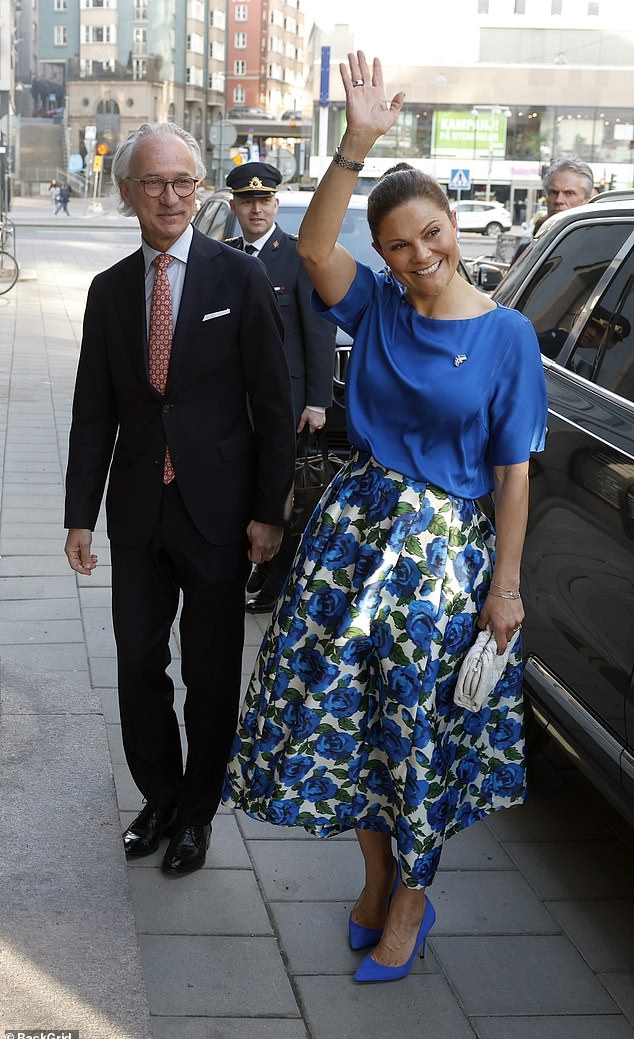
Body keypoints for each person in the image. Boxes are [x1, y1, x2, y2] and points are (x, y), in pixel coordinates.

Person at [223, 52, 548, 982]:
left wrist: (507, 588)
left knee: (420, 739)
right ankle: (375, 882)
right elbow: (313, 249)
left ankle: (410, 905)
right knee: (352, 729)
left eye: (431, 235)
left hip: (443, 561)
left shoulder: (507, 337)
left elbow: (513, 474)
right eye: (398, 244)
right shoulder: (379, 309)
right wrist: (355, 144)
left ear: (454, 225)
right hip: (348, 550)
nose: (419, 256)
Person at [63, 122, 296, 876]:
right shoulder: (107, 292)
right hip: (137, 508)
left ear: (200, 190)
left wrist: (270, 512)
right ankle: (158, 798)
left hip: (220, 509)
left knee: (211, 667)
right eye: (156, 183)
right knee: (136, 662)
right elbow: (92, 412)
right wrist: (78, 514)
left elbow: (272, 398)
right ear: (128, 191)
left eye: (184, 182)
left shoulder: (239, 279)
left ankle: (198, 813)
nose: (171, 197)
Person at [224, 161, 337, 615]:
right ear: (234, 206)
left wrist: (317, 401)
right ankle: (249, 562)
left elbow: (319, 330)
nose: (257, 209)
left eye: (265, 200)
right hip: (232, 402)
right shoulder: (225, 255)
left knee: (281, 492)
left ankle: (274, 584)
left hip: (286, 402)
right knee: (241, 488)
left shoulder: (296, 256)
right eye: (248, 202)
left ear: (276, 203)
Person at [510, 157, 595, 264]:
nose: (558, 200)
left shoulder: (598, 251)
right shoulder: (527, 251)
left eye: (569, 193)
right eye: (554, 192)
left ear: (586, 201)